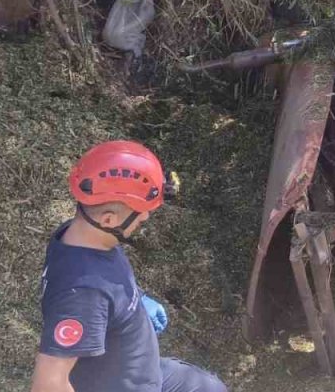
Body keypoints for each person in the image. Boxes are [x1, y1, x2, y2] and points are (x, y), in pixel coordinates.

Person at [28, 140, 227, 392]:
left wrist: (135, 299)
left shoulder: (82, 234)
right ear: (108, 219)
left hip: (140, 372)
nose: (145, 219)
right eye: (140, 215)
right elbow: (49, 384)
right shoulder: (84, 296)